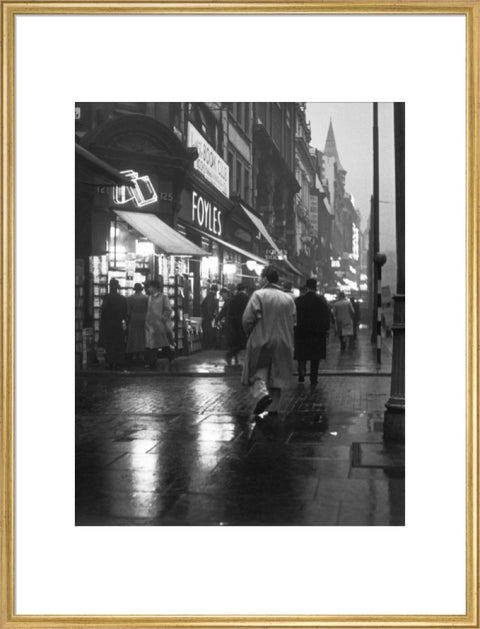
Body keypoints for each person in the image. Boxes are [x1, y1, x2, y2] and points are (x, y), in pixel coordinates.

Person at [241, 266, 296, 417]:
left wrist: (250, 334)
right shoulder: (288, 298)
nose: (258, 280)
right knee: (277, 377)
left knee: (256, 372)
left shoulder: (259, 295)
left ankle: (262, 396)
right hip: (284, 341)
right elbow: (294, 321)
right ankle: (273, 409)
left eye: (259, 277)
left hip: (262, 340)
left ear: (265, 279)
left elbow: (247, 320)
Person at [294, 278, 331, 386]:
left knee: (302, 355)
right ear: (316, 287)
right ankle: (313, 378)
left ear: (307, 287)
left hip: (302, 333)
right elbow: (326, 316)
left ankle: (301, 371)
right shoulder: (321, 301)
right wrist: (326, 329)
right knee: (315, 358)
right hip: (317, 334)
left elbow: (294, 317)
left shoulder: (299, 301)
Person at [98, 278, 127, 369]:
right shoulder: (122, 298)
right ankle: (118, 361)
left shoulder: (107, 297)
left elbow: (103, 310)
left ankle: (110, 361)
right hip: (118, 324)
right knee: (118, 343)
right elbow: (125, 313)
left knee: (109, 344)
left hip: (108, 324)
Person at [144, 279, 174, 368]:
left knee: (163, 344)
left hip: (160, 325)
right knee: (151, 345)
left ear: (155, 288)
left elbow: (168, 309)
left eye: (150, 287)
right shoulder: (149, 297)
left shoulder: (163, 297)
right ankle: (151, 362)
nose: (149, 289)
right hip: (150, 325)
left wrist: (162, 318)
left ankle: (170, 358)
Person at [222, 283, 249, 365]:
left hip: (234, 323)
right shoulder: (246, 298)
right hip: (243, 322)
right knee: (242, 342)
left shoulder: (233, 298)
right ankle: (230, 355)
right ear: (245, 289)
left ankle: (233, 357)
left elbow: (229, 311)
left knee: (237, 342)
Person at [126, 282, 148, 365]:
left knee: (133, 337)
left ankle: (134, 355)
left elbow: (128, 311)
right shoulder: (146, 298)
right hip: (144, 319)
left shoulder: (129, 298)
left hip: (134, 319)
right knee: (142, 337)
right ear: (141, 289)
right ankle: (142, 354)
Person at [200, 284, 219, 349]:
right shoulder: (210, 297)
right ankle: (207, 346)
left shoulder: (209, 296)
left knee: (207, 331)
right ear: (215, 291)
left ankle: (206, 345)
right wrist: (212, 317)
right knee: (208, 331)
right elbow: (209, 307)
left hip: (206, 317)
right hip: (208, 318)